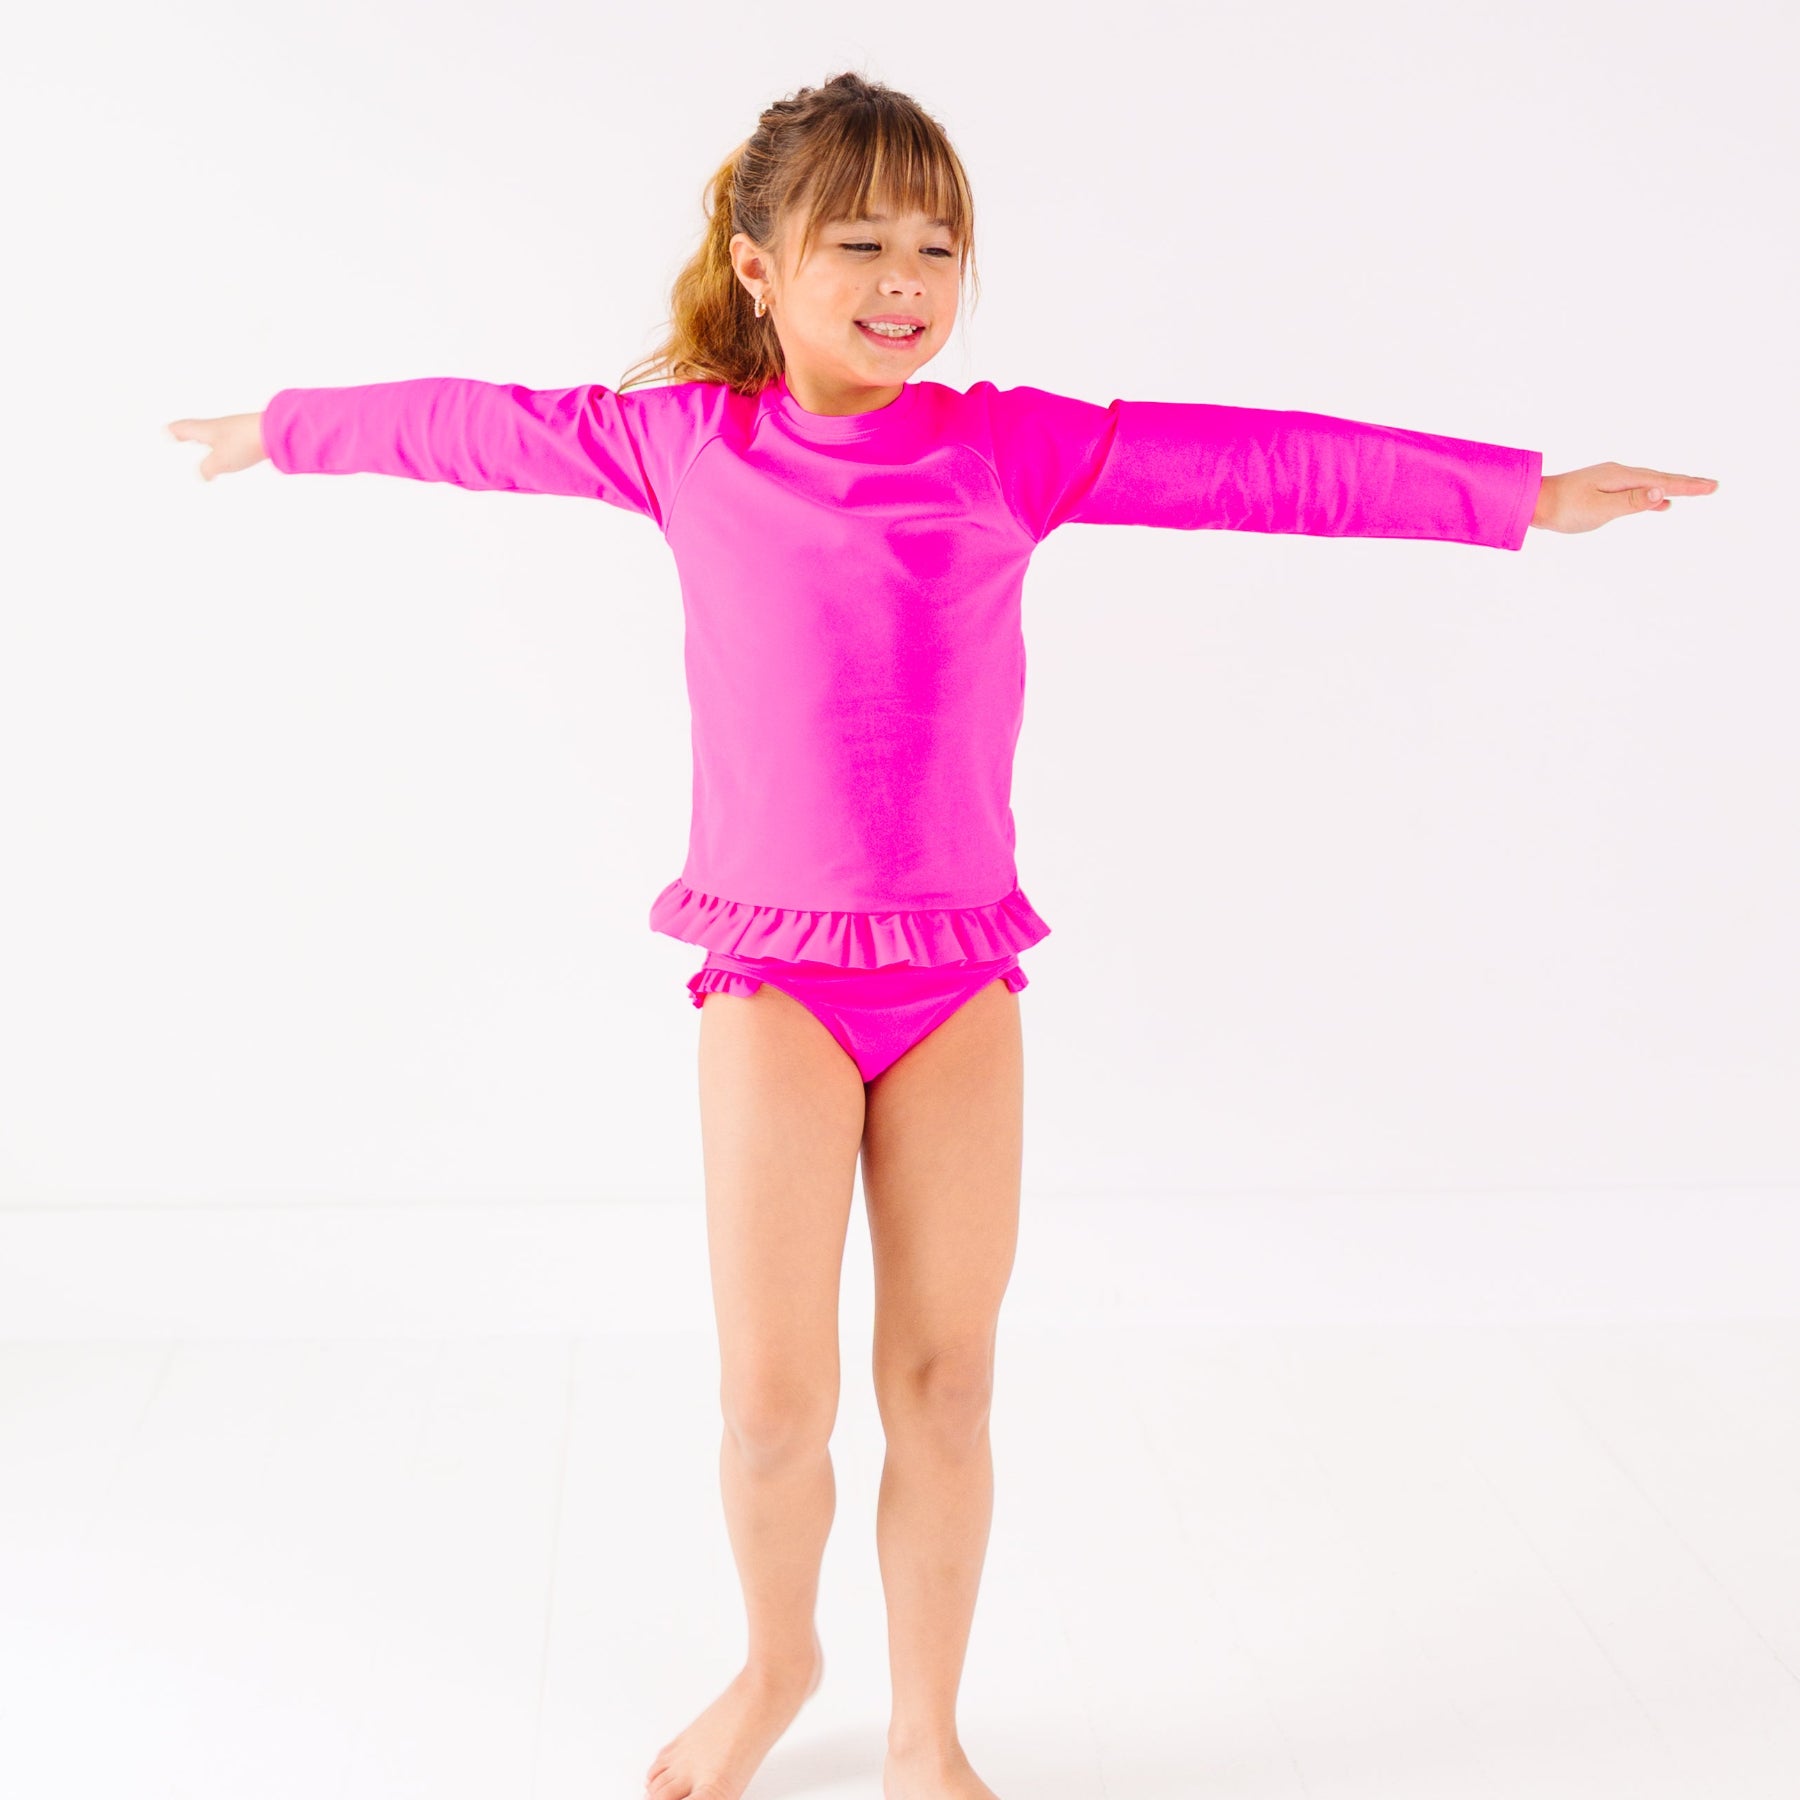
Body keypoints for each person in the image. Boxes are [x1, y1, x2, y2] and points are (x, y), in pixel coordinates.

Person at [167, 66, 1718, 1800]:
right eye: (862, 241)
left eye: (939, 244)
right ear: (758, 265)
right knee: (773, 1405)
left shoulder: (1006, 445)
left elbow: (1258, 463)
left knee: (948, 1387)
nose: (909, 278)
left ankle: (926, 1730)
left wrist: (1518, 495)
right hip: (773, 978)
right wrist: (277, 424)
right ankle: (778, 1662)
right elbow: (464, 424)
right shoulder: (683, 445)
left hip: (957, 983)